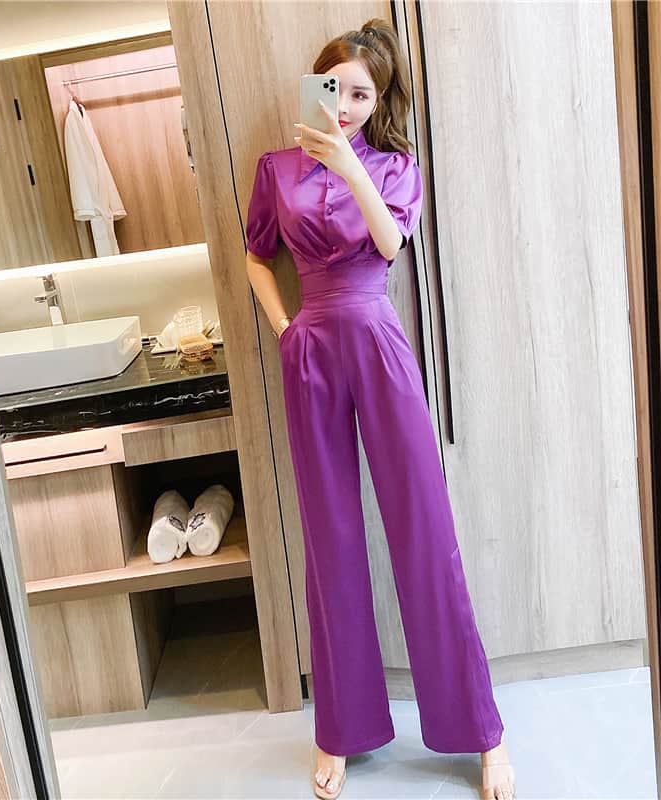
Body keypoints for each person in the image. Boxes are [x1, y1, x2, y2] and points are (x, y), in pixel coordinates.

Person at [244, 18, 517, 800]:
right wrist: (284, 328)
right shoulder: (275, 170)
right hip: (311, 352)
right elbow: (255, 254)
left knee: (425, 528)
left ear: (379, 100)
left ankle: (482, 731)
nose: (346, 104)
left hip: (378, 339)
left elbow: (392, 245)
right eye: (334, 88)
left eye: (362, 94)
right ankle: (340, 730)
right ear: (316, 82)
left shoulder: (396, 166)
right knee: (329, 539)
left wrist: (346, 162)